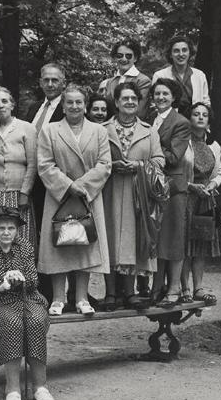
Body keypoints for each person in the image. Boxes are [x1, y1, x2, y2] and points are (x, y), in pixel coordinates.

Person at [0, 206, 54, 400]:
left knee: (35, 320)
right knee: (12, 322)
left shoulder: (24, 246)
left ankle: (40, 387)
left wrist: (21, 280)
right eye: (1, 228)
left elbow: (35, 281)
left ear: (17, 230)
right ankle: (13, 389)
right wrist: (2, 285)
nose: (6, 232)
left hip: (26, 298)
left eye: (10, 228)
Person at [37, 85, 111, 315]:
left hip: (88, 196)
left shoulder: (99, 131)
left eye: (79, 102)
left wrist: (84, 185)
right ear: (63, 105)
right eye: (69, 102)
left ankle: (81, 298)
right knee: (60, 245)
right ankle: (58, 298)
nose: (74, 106)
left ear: (85, 105)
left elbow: (105, 164)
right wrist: (69, 185)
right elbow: (44, 164)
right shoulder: (49, 130)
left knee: (84, 244)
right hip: (59, 196)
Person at [103, 84, 164, 309]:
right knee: (109, 239)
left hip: (138, 193)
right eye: (124, 98)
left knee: (132, 239)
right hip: (110, 190)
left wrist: (139, 165)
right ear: (117, 102)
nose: (129, 102)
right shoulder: (103, 129)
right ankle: (110, 293)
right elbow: (94, 159)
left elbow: (159, 160)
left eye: (134, 99)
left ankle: (130, 293)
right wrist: (112, 165)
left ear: (139, 103)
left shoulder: (149, 131)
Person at [24, 63, 66, 302]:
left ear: (63, 82)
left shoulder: (68, 106)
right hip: (34, 180)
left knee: (59, 233)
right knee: (38, 233)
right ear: (40, 82)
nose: (50, 84)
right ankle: (43, 290)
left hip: (56, 178)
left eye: (55, 80)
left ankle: (62, 293)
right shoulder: (33, 109)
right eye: (46, 80)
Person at [150, 77, 191, 306]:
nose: (161, 98)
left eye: (165, 94)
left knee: (173, 238)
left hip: (173, 186)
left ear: (173, 97)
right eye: (157, 94)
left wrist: (149, 152)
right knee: (157, 239)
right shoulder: (150, 119)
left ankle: (174, 288)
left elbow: (174, 157)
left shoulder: (180, 122)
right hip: (153, 186)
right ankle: (157, 287)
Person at [180, 103, 221, 306]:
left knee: (200, 245)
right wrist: (190, 186)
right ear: (189, 117)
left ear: (209, 119)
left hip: (205, 199)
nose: (200, 118)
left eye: (204, 115)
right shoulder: (183, 141)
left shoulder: (214, 145)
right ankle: (184, 288)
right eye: (196, 114)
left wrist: (212, 185)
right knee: (185, 245)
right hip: (186, 197)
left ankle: (198, 287)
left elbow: (219, 172)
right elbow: (177, 171)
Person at [0, 86, 38, 249]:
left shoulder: (26, 128)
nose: (0, 105)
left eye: (4, 101)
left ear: (12, 105)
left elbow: (33, 163)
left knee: (21, 237)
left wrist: (25, 192)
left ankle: (23, 274)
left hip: (18, 194)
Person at [152, 35, 210, 119]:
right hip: (169, 123)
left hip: (194, 123)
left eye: (184, 50)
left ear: (190, 53)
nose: (181, 54)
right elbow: (154, 103)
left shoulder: (200, 75)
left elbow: (206, 103)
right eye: (176, 51)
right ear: (170, 54)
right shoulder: (160, 75)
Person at [100, 39, 152, 120]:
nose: (124, 59)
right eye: (119, 55)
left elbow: (140, 112)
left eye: (128, 56)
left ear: (135, 58)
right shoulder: (110, 82)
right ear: (115, 58)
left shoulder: (143, 81)